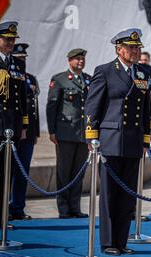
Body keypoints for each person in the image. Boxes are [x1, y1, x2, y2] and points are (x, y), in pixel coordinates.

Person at [84, 28, 151, 255]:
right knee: (109, 194)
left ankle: (122, 242)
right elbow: (93, 105)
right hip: (111, 140)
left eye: (137, 47)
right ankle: (108, 242)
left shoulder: (143, 74)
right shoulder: (105, 71)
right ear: (119, 49)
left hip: (134, 141)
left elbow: (147, 110)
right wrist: (91, 136)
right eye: (131, 47)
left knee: (127, 196)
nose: (135, 51)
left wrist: (146, 139)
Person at [46, 48, 90, 219]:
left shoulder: (88, 79)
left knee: (79, 172)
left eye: (82, 59)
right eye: (77, 59)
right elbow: (52, 106)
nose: (81, 61)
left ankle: (75, 207)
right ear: (69, 60)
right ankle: (64, 209)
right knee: (64, 172)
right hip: (65, 133)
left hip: (83, 134)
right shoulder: (60, 79)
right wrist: (52, 130)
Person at [0, 21, 28, 229]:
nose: (10, 43)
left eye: (12, 40)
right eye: (6, 39)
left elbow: (22, 98)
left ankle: (2, 216)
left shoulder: (18, 64)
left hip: (12, 127)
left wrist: (23, 125)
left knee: (6, 174)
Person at [9, 43, 40, 220]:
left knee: (22, 171)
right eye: (19, 58)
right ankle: (5, 208)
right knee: (8, 170)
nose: (22, 61)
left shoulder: (30, 78)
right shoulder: (10, 75)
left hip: (27, 132)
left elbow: (32, 107)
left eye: (23, 58)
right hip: (11, 129)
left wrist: (34, 131)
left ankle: (18, 207)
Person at [139, 51, 151, 149]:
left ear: (149, 60)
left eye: (145, 60)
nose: (143, 62)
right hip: (138, 107)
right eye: (141, 60)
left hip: (150, 107)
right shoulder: (135, 71)